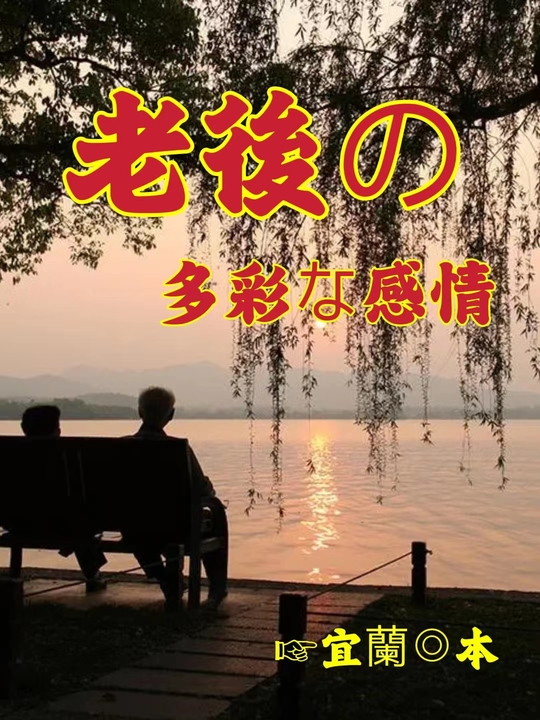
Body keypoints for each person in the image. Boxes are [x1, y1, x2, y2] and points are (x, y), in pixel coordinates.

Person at [124, 387, 228, 607]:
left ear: (140, 412)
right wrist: (209, 489)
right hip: (176, 526)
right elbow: (201, 489)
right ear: (171, 415)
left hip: (131, 525)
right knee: (216, 514)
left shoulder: (121, 447)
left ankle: (166, 579)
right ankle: (216, 588)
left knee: (142, 525)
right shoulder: (178, 449)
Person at [20, 405, 108, 592]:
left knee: (76, 520)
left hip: (19, 523)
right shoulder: (66, 458)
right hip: (64, 525)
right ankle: (92, 574)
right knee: (79, 520)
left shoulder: (13, 456)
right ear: (57, 431)